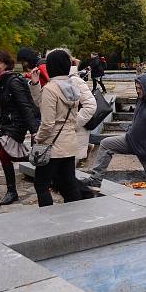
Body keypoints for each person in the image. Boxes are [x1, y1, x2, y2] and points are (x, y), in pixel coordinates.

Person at [83, 74, 146, 189]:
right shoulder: (143, 98)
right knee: (106, 144)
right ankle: (95, 180)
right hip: (132, 141)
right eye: (136, 88)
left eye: (140, 88)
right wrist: (131, 130)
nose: (137, 91)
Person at [31, 49, 92, 207]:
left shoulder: (51, 88)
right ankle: (74, 216)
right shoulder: (72, 86)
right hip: (70, 143)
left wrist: (39, 139)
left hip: (53, 146)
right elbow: (43, 105)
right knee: (69, 183)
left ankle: (48, 218)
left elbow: (48, 123)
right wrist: (36, 85)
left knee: (41, 184)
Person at [0, 49, 39, 205]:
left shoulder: (14, 81)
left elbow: (26, 106)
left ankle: (12, 192)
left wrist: (34, 131)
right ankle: (38, 160)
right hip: (5, 124)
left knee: (5, 154)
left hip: (18, 124)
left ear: (6, 64)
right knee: (5, 155)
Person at [29, 50, 97, 164]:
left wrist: (72, 123)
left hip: (70, 134)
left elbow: (90, 105)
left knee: (65, 174)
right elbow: (42, 105)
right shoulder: (55, 81)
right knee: (66, 176)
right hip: (60, 136)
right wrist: (35, 85)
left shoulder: (73, 80)